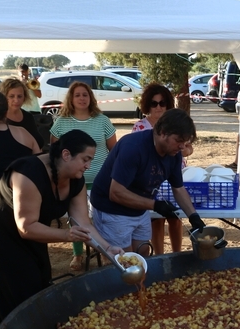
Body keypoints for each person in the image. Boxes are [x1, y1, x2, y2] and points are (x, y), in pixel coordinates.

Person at [0, 130, 122, 329]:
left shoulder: (75, 179)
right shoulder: (28, 173)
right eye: (85, 159)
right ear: (66, 155)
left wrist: (108, 249)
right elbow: (26, 227)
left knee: (40, 280)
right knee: (14, 290)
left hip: (36, 231)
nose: (88, 166)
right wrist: (66, 235)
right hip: (1, 235)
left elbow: (83, 223)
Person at [90, 108, 205, 255]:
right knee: (124, 259)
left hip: (139, 208)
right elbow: (115, 193)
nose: (183, 147)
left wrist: (193, 217)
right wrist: (155, 205)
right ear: (163, 132)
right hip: (111, 208)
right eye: (179, 141)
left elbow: (178, 188)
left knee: (143, 252)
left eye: (185, 142)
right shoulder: (133, 148)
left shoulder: (174, 153)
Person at [50, 81, 118, 269]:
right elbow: (54, 152)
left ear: (91, 98)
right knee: (77, 220)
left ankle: (104, 252)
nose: (81, 98)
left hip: (101, 181)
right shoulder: (61, 122)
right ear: (71, 99)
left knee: (100, 218)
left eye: (85, 94)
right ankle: (78, 255)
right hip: (73, 182)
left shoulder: (102, 120)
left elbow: (114, 149)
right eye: (77, 95)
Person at [132, 83, 191, 255]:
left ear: (168, 104)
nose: (158, 107)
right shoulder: (139, 126)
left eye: (162, 103)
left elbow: (188, 148)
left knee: (175, 218)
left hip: (174, 176)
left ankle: (177, 254)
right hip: (150, 179)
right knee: (156, 219)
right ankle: (159, 256)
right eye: (154, 103)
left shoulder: (176, 124)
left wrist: (184, 150)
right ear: (147, 105)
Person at [0, 77, 41, 148]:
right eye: (11, 96)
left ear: (24, 97)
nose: (16, 100)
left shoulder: (28, 117)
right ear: (4, 97)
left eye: (19, 96)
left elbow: (39, 142)